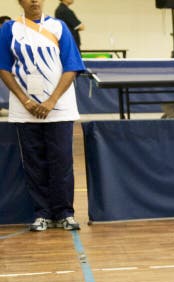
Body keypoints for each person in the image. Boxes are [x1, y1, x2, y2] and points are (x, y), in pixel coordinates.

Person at [0, 0, 85, 232]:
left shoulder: (59, 27)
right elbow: (3, 68)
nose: (35, 0)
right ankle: (42, 214)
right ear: (20, 1)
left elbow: (72, 66)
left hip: (59, 109)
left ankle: (65, 213)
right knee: (34, 163)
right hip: (24, 110)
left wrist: (51, 101)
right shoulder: (9, 29)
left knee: (62, 163)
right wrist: (25, 100)